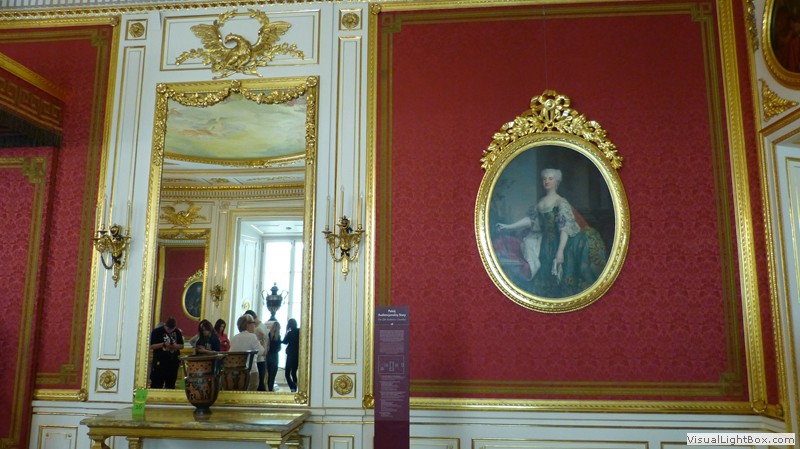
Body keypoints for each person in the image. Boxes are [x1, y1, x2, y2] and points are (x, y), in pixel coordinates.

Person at [496, 168, 607, 298]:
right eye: (544, 179)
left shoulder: (561, 202)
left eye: (550, 179)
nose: (547, 181)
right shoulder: (541, 202)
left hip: (563, 244)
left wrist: (560, 251)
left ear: (557, 182)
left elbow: (564, 228)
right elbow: (532, 221)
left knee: (563, 279)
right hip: (546, 246)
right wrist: (508, 226)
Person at [229, 314, 266, 391]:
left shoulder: (234, 338)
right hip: (251, 371)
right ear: (247, 325)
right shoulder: (252, 337)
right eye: (253, 323)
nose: (254, 325)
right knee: (250, 394)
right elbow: (261, 352)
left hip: (236, 371)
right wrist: (263, 345)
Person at [149, 317, 184, 389]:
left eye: (172, 329)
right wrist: (163, 344)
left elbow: (181, 346)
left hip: (172, 362)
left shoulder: (177, 332)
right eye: (168, 329)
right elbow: (152, 346)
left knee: (170, 385)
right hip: (160, 362)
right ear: (165, 325)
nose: (170, 331)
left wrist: (175, 346)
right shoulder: (157, 332)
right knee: (157, 384)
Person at [244, 310, 269, 391]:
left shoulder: (259, 328)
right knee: (260, 383)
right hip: (259, 359)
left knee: (259, 384)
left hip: (258, 360)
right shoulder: (262, 326)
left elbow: (261, 347)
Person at [282, 318, 299, 392]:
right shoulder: (299, 331)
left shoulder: (290, 333)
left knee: (287, 373)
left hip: (290, 355)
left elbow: (284, 342)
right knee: (294, 372)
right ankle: (295, 387)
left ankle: (292, 387)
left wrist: (286, 331)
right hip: (297, 355)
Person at [265, 320, 282, 391]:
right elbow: (279, 348)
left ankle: (268, 388)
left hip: (268, 355)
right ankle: (270, 388)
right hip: (275, 356)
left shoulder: (269, 335)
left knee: (268, 374)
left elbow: (267, 345)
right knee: (273, 374)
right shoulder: (278, 337)